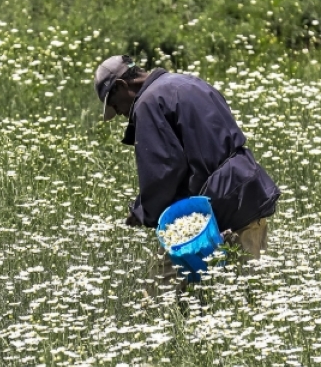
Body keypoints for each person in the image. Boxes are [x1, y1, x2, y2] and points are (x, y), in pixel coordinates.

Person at [94, 55, 280, 283]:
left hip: (216, 206)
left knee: (161, 292)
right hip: (249, 191)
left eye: (115, 105)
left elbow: (164, 172)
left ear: (122, 86)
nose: (121, 113)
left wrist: (142, 211)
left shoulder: (148, 103)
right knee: (251, 289)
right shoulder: (189, 82)